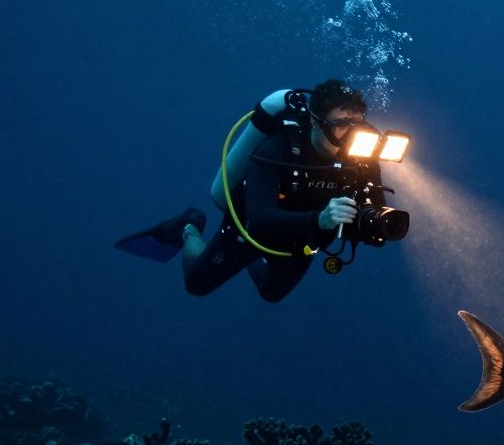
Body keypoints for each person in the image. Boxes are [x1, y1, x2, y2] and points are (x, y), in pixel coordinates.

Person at [117, 80, 393, 303]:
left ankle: (256, 260)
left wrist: (373, 224)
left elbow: (374, 208)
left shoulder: (362, 155)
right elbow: (259, 218)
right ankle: (189, 226)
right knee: (197, 285)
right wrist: (320, 219)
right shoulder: (278, 149)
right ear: (315, 121)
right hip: (249, 231)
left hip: (301, 240)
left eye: (357, 125)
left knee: (272, 293)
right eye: (341, 125)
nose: (351, 135)